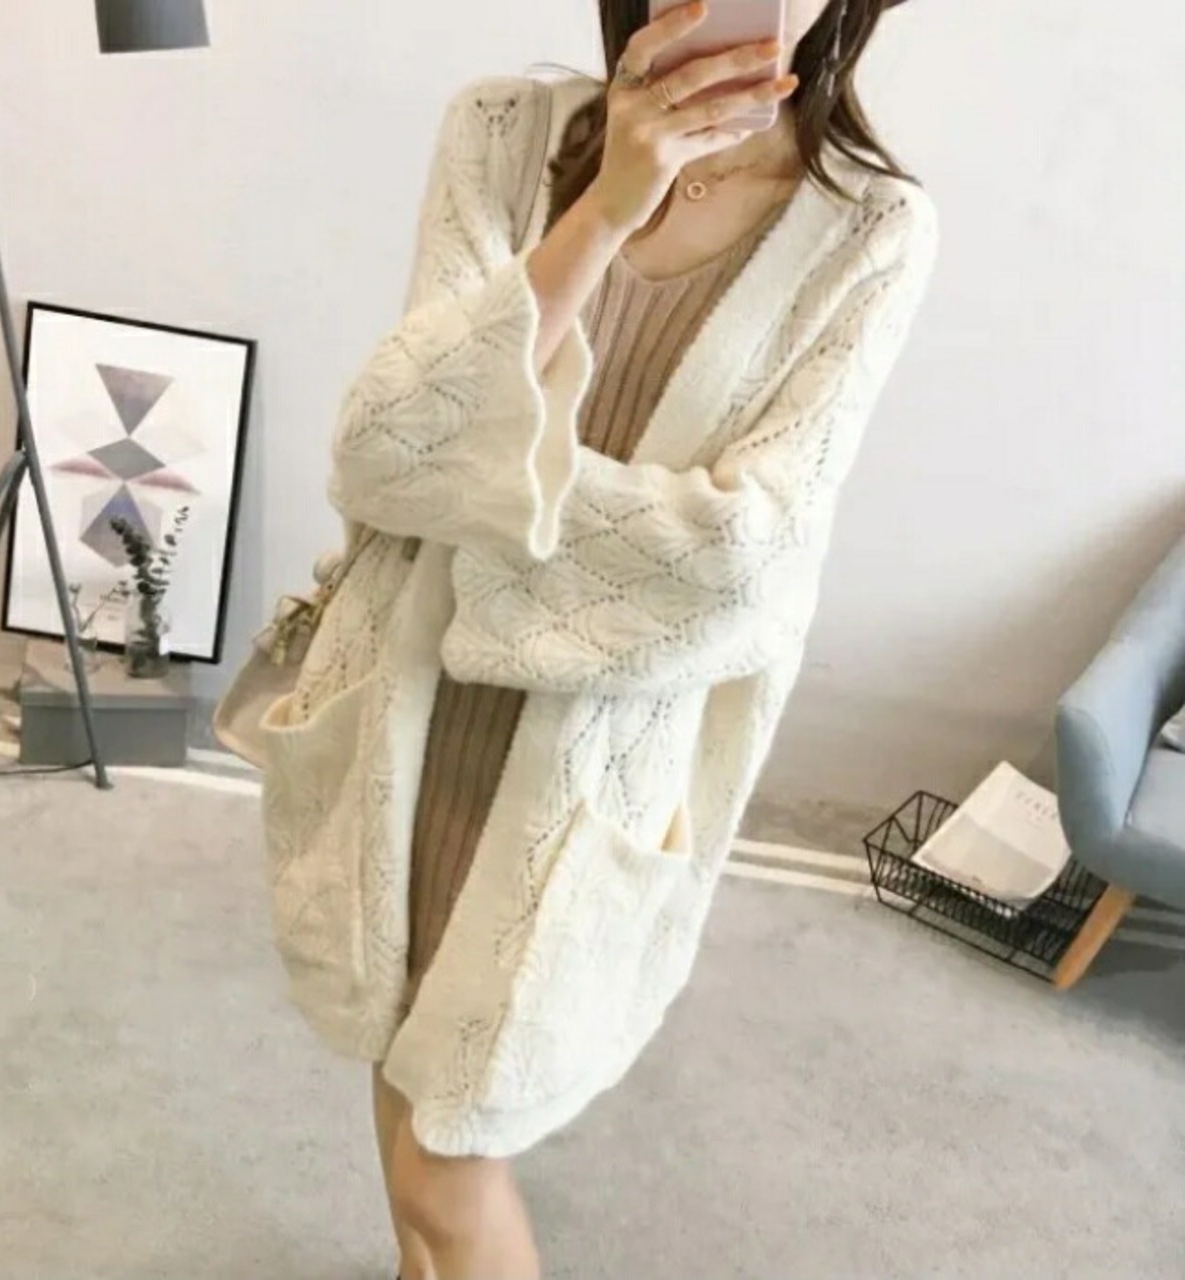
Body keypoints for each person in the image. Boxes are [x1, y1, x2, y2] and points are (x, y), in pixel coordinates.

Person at [260, 1, 935, 1276]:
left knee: (448, 1156)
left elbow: (743, 564)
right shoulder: (502, 134)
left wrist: (476, 501)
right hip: (400, 718)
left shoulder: (869, 229)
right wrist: (608, 208)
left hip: (585, 770)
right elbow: (384, 448)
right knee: (397, 1074)